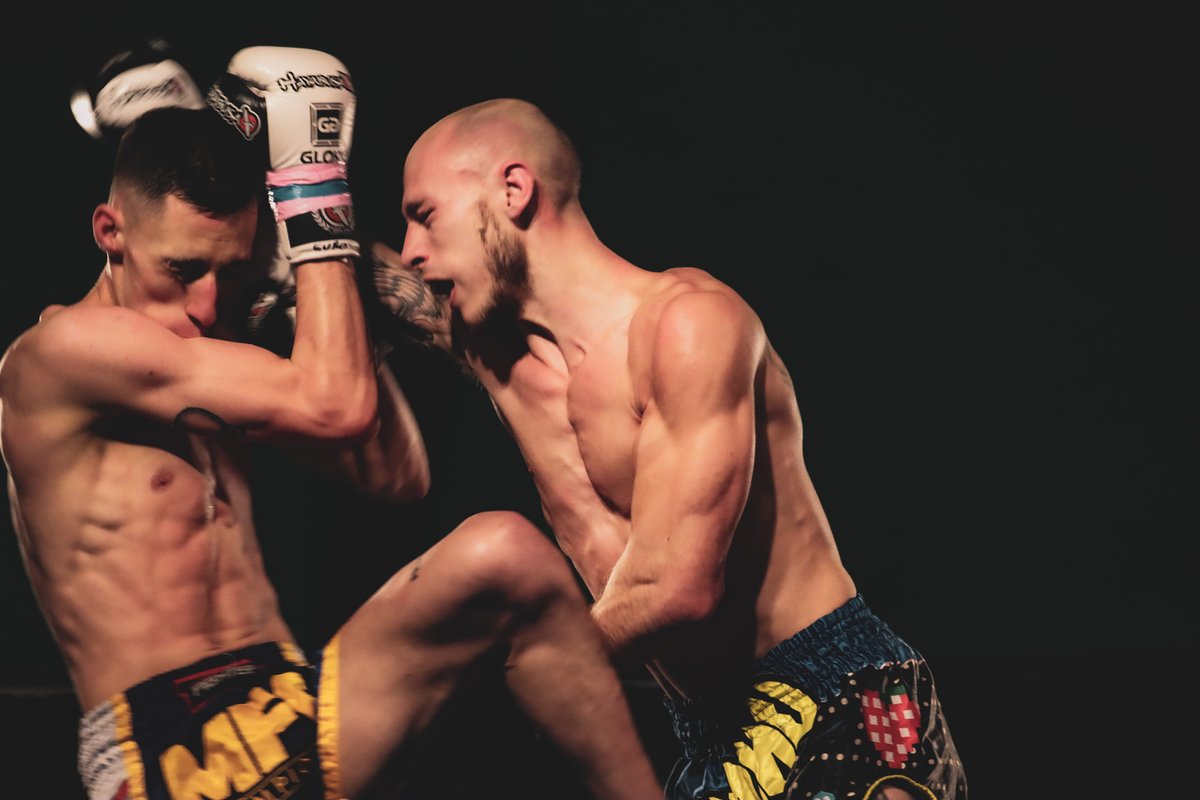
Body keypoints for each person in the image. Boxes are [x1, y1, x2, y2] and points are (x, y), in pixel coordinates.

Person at [0, 49, 661, 800]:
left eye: (229, 269)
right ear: (109, 232)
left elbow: (398, 475)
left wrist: (295, 278)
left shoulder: (205, 359)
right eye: (183, 270)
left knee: (507, 553)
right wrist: (314, 192)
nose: (209, 304)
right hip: (169, 746)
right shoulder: (60, 355)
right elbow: (338, 406)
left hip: (289, 697)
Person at [371, 97, 969, 800]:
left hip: (834, 701)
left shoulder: (689, 326)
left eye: (424, 214)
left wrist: (498, 684)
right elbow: (360, 280)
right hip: (707, 736)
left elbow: (674, 590)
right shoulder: (496, 355)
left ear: (513, 190)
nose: (410, 248)